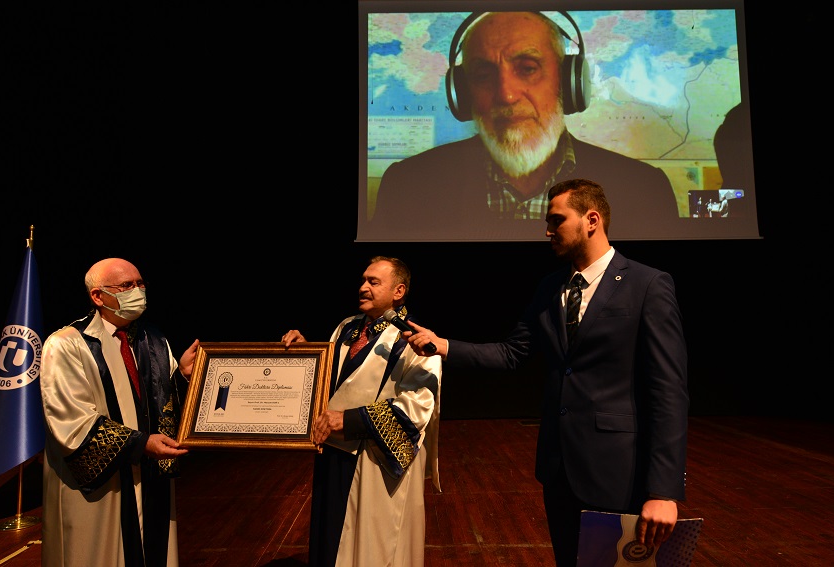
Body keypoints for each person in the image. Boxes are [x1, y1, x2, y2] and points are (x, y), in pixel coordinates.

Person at [402, 179, 689, 567]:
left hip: (620, 472)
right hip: (559, 472)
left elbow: (669, 393)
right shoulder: (550, 287)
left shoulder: (647, 284)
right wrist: (443, 345)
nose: (548, 231)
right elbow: (512, 353)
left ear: (592, 220)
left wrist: (664, 491)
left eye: (557, 220)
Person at [367, 12, 679, 241]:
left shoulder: (644, 190)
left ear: (568, 83)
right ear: (463, 93)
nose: (506, 94)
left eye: (528, 69)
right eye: (483, 75)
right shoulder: (407, 186)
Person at [281, 256, 441, 567]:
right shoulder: (347, 328)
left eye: (373, 282)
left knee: (372, 547)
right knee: (331, 538)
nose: (363, 287)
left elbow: (418, 407)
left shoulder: (417, 340)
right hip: (334, 451)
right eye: (363, 280)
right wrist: (304, 354)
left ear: (398, 291)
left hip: (374, 459)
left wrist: (351, 419)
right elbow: (333, 379)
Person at [40, 257, 199, 567]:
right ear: (98, 296)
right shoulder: (66, 345)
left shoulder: (154, 340)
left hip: (149, 477)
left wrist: (181, 376)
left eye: (140, 284)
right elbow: (72, 421)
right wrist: (140, 444)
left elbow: (162, 404)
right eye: (127, 285)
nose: (137, 291)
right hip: (104, 486)